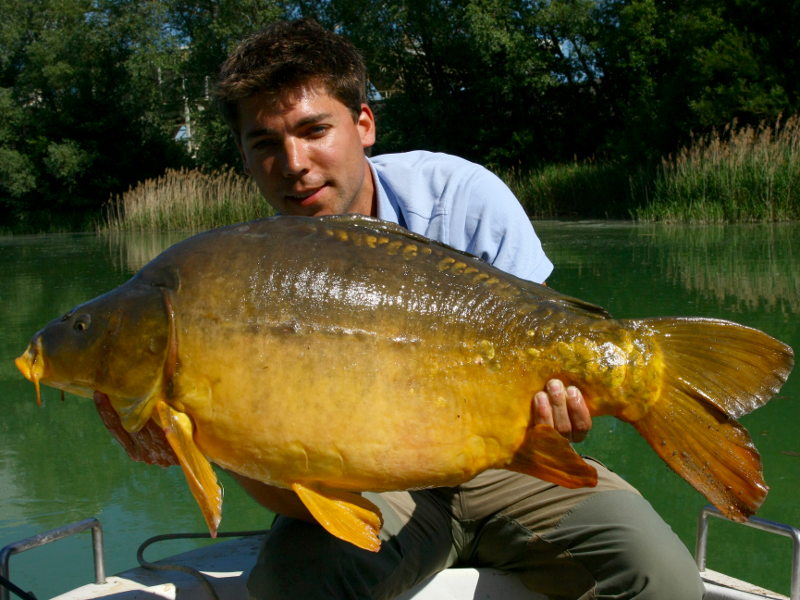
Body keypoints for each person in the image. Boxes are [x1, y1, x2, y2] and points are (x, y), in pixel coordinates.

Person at [215, 18, 704, 600]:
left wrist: (558, 411)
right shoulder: (239, 282)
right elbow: (290, 487)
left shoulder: (461, 196)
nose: (294, 162)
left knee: (663, 580)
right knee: (286, 587)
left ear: (363, 124)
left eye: (314, 129)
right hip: (368, 482)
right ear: (244, 155)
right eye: (265, 143)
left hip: (506, 468)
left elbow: (543, 336)